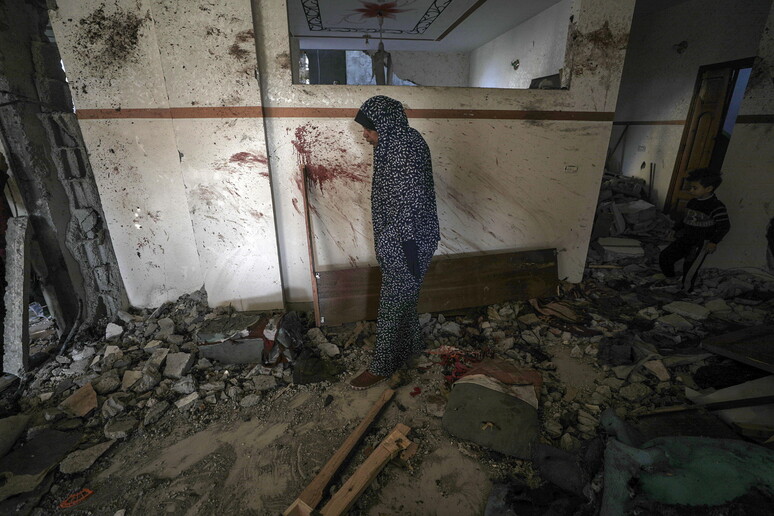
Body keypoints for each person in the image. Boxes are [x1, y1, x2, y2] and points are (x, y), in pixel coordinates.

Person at [350, 95, 440, 390]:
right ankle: (411, 347)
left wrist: (407, 248)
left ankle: (381, 366)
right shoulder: (399, 141)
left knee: (391, 304)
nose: (365, 134)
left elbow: (409, 202)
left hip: (407, 241)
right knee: (405, 297)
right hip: (404, 238)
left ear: (385, 125)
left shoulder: (403, 148)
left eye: (368, 128)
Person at [659, 168, 730, 290]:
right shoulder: (692, 202)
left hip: (700, 244)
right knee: (665, 256)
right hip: (686, 238)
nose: (690, 190)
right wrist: (675, 229)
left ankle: (686, 291)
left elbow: (724, 226)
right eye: (691, 187)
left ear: (708, 189)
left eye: (694, 188)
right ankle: (671, 279)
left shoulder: (716, 206)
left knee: (689, 268)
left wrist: (714, 242)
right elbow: (685, 219)